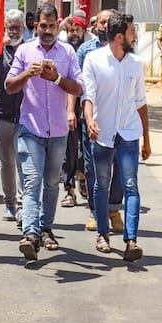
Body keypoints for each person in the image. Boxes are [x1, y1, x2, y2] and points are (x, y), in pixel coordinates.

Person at [5, 3, 83, 262]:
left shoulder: (68, 52)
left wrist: (57, 78)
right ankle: (30, 233)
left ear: (58, 24)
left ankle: (46, 229)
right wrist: (28, 72)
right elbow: (9, 86)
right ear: (35, 26)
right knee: (32, 181)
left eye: (52, 26)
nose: (47, 31)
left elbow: (79, 88)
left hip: (59, 131)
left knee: (51, 184)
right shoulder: (25, 51)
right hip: (31, 129)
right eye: (43, 26)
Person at [82, 13, 151, 261]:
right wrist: (90, 121)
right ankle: (102, 234)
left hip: (129, 134)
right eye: (133, 31)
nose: (135, 36)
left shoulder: (135, 64)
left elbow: (141, 102)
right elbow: (87, 96)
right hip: (102, 134)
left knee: (131, 185)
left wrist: (147, 138)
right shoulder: (94, 60)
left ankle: (131, 240)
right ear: (120, 36)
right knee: (101, 185)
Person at [76, 9, 124, 233]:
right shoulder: (85, 50)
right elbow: (77, 84)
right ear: (95, 26)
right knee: (92, 166)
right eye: (101, 22)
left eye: (109, 22)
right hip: (91, 120)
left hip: (118, 121)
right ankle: (95, 212)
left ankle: (113, 209)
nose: (104, 26)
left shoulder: (123, 50)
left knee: (118, 166)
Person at [0, 10, 26, 224]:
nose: (14, 31)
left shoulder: (29, 50)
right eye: (10, 27)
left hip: (25, 115)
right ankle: (10, 204)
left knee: (23, 161)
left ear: (24, 28)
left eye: (17, 27)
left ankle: (24, 206)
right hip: (2, 113)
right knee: (6, 162)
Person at [61, 16, 87, 209]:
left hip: (87, 109)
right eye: (71, 31)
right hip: (65, 109)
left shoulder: (90, 51)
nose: (75, 34)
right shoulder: (63, 51)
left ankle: (83, 178)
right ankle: (69, 190)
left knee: (84, 149)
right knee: (68, 152)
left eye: (78, 30)